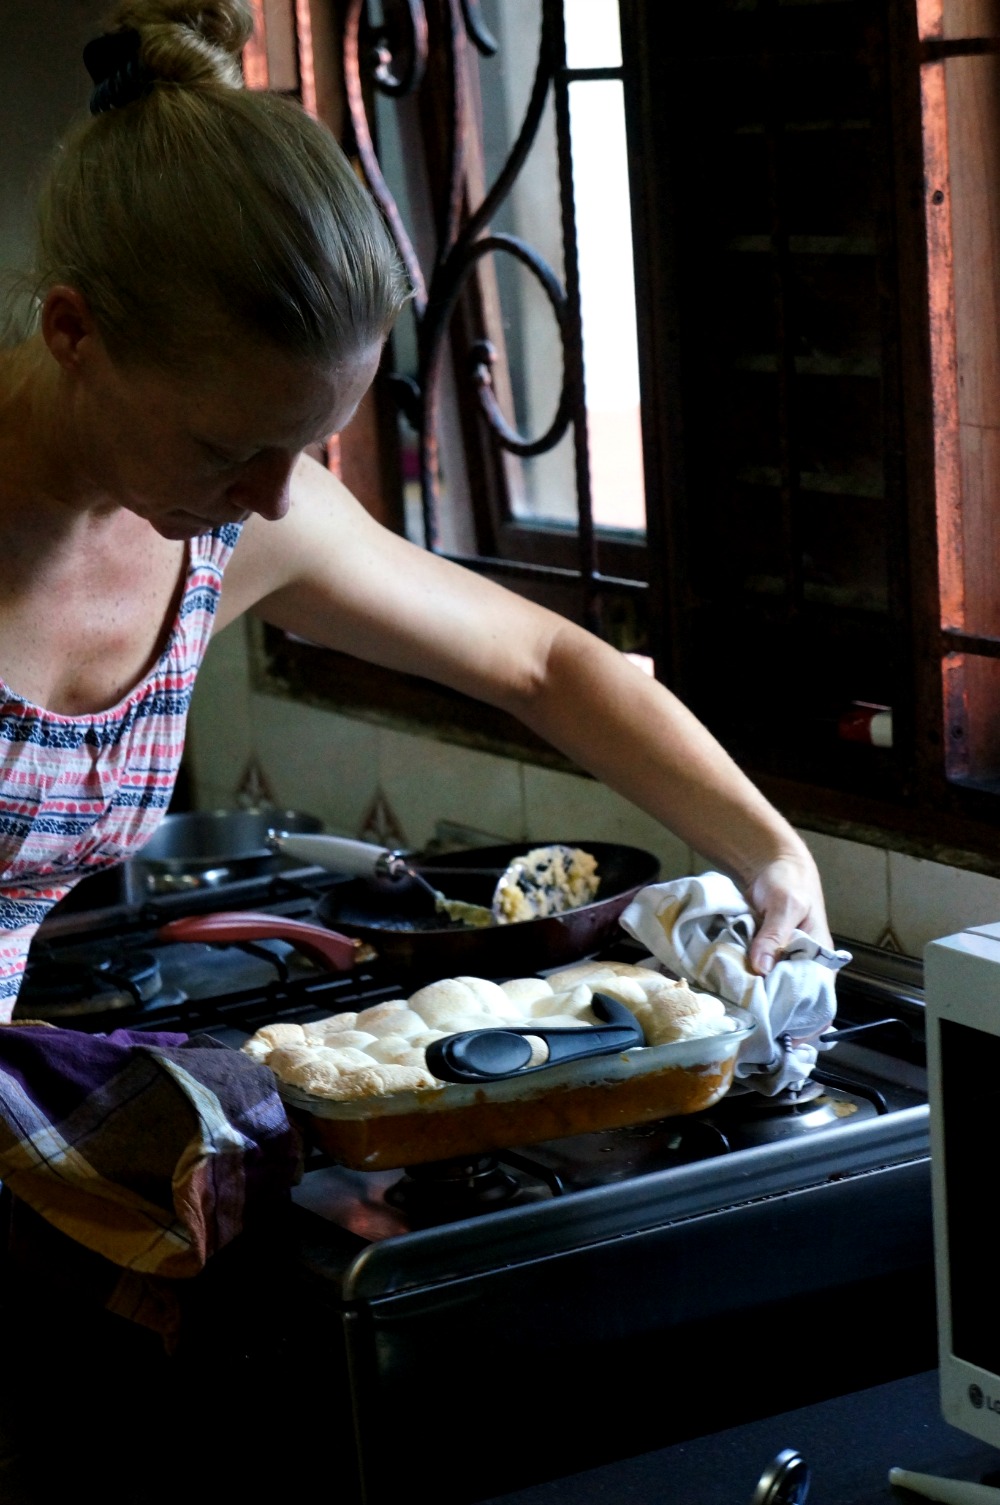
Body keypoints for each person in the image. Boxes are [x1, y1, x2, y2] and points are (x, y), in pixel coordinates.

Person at [0, 0, 831, 1025]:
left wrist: (768, 850)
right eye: (228, 448)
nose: (274, 497)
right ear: (73, 332)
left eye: (306, 444)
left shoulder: (234, 522)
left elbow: (543, 663)